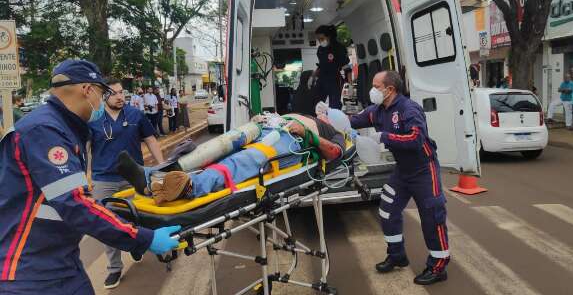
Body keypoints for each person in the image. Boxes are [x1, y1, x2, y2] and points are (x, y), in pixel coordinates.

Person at [0, 59, 179, 295]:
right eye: (102, 93)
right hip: (30, 273)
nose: (102, 100)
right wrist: (143, 238)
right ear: (88, 90)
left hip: (61, 261)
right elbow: (75, 204)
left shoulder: (64, 127)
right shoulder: (45, 131)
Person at [349, 70, 449, 286]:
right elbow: (354, 121)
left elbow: (416, 138)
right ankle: (397, 255)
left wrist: (384, 137)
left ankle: (439, 266)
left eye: (376, 86)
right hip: (402, 170)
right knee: (387, 209)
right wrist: (327, 116)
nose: (372, 90)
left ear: (390, 89)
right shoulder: (377, 111)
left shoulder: (408, 108)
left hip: (423, 169)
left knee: (433, 217)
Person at [117, 112, 345, 205]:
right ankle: (151, 177)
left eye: (328, 113)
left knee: (244, 159)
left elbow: (334, 153)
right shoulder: (303, 112)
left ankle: (191, 186)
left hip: (293, 140)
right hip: (268, 126)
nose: (323, 112)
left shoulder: (333, 131)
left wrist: (308, 134)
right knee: (213, 149)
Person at [89, 79, 166, 289]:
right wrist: (83, 178)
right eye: (114, 93)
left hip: (133, 178)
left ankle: (136, 244)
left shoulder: (135, 115)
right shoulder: (93, 120)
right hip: (103, 179)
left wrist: (161, 166)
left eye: (122, 92)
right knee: (106, 224)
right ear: (104, 96)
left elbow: (150, 139)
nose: (120, 97)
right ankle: (114, 267)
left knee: (138, 217)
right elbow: (86, 148)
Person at [311, 25, 351, 109]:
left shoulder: (339, 48)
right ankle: (318, 119)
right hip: (322, 79)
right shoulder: (320, 49)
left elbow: (346, 68)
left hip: (334, 80)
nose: (320, 41)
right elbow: (321, 65)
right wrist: (313, 76)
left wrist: (349, 85)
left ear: (328, 36)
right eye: (318, 39)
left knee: (335, 105)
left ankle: (334, 120)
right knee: (316, 103)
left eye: (321, 39)